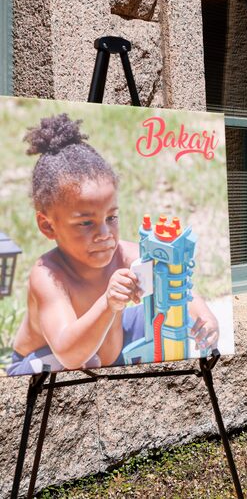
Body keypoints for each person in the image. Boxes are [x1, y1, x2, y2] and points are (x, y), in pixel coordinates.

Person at [8, 114, 219, 376]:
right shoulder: (49, 275)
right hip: (43, 357)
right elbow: (68, 352)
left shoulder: (122, 254)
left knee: (166, 316)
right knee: (83, 361)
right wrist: (108, 303)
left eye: (111, 217)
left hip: (113, 346)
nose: (105, 233)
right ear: (48, 226)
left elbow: (169, 277)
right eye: (86, 223)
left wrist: (204, 318)